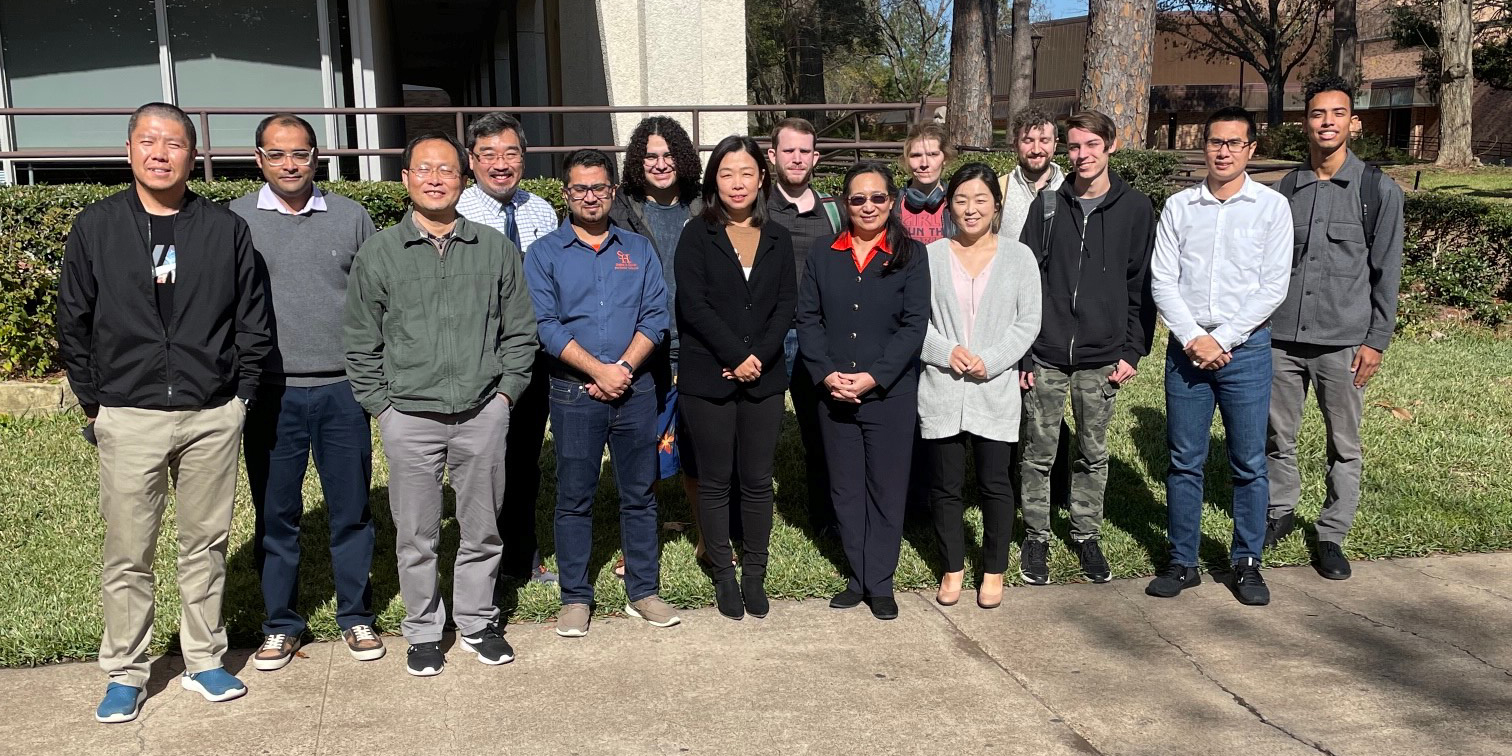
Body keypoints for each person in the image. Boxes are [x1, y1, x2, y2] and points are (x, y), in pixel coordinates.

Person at [59, 102, 272, 722]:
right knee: (129, 551)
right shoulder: (96, 227)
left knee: (205, 543)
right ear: (129, 150)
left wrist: (241, 396)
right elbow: (73, 320)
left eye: (174, 143)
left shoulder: (224, 229)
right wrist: (96, 401)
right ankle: (126, 671)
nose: (160, 153)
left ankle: (204, 659)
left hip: (211, 413)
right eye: (148, 142)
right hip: (129, 413)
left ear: (192, 154)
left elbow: (252, 318)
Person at [344, 132, 538, 676]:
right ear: (406, 179)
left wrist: (504, 396)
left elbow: (520, 332)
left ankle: (476, 621)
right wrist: (382, 408)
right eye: (424, 169)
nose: (435, 179)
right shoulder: (381, 252)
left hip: (482, 413)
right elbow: (360, 340)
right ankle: (424, 630)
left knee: (482, 528)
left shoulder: (493, 249)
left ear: (463, 179)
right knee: (416, 535)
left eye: (447, 170)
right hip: (408, 417)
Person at [229, 114, 384, 671]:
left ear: (317, 157)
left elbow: (377, 298)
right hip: (271, 392)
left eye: (300, 153)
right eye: (277, 154)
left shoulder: (351, 216)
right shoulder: (237, 219)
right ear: (259, 160)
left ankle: (356, 615)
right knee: (276, 513)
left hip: (343, 389)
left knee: (352, 509)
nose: (289, 164)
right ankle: (281, 624)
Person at [526, 149, 681, 637]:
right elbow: (545, 325)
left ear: (612, 191)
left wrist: (623, 369)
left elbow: (655, 316)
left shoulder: (637, 248)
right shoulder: (544, 253)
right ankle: (575, 597)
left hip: (635, 390)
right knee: (575, 496)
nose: (590, 196)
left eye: (599, 187)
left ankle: (643, 591)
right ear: (565, 193)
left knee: (640, 493)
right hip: (573, 393)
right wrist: (598, 370)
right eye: (580, 188)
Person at [1145, 107, 1292, 606]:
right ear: (1204, 146)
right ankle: (1182, 561)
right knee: (1185, 461)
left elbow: (1273, 286)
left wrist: (1223, 339)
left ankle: (1246, 562)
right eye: (1215, 142)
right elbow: (1162, 280)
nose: (1223, 151)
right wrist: (1194, 338)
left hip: (1245, 350)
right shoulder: (1179, 207)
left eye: (1234, 143)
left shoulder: (1271, 208)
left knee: (1248, 462)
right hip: (1187, 350)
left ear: (1251, 149)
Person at [1264, 75, 1404, 580]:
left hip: (1343, 344)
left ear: (1354, 122)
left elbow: (1387, 272)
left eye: (1338, 113)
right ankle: (1279, 511)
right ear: (1305, 123)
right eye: (1318, 113)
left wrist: (1376, 342)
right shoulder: (1284, 190)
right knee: (1276, 436)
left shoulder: (1377, 190)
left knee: (1343, 444)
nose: (1327, 122)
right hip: (1281, 339)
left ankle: (1331, 533)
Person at [1017, 110, 1157, 587]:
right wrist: (1024, 351)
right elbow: (1026, 280)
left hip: (1103, 357)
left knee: (1092, 453)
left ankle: (1086, 534)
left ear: (1111, 145)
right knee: (1039, 451)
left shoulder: (1135, 208)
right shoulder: (1048, 206)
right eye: (1074, 146)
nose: (1083, 155)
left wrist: (1133, 351)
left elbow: (1141, 285)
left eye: (1092, 144)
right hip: (1046, 352)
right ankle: (1036, 536)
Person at [797, 161, 931, 621]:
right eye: (858, 199)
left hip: (889, 394)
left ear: (892, 201)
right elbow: (808, 319)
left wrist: (875, 376)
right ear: (845, 204)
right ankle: (858, 576)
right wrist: (826, 374)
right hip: (834, 393)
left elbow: (914, 325)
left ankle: (881, 581)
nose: (868, 206)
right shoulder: (823, 253)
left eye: (877, 197)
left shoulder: (912, 255)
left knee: (886, 489)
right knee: (846, 489)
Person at [674, 135, 797, 620]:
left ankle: (754, 573)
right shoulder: (696, 234)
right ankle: (723, 572)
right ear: (714, 181)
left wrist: (756, 358)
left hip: (763, 377)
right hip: (708, 376)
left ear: (762, 177)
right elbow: (693, 304)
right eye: (727, 173)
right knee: (715, 478)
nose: (737, 182)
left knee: (757, 479)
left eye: (746, 172)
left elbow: (785, 304)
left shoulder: (778, 237)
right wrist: (734, 354)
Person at [918, 163, 1041, 610]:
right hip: (943, 384)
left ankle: (993, 570)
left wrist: (990, 359)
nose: (971, 209)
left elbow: (1028, 321)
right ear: (949, 206)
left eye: (981, 200)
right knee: (945, 485)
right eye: (961, 200)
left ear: (996, 206)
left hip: (995, 386)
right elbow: (914, 319)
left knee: (995, 483)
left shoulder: (1019, 257)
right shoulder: (930, 256)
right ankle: (952, 567)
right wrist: (945, 351)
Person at [456, 112, 560, 584]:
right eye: (488, 154)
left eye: (510, 153)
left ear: (524, 156)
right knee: (480, 464)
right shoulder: (456, 211)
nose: (500, 164)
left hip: (532, 356)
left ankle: (522, 554)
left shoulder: (542, 211)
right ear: (471, 160)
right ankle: (480, 563)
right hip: (476, 357)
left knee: (523, 459)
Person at [609, 116, 706, 565]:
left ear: (682, 158)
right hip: (643, 349)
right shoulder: (620, 210)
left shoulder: (703, 206)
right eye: (650, 156)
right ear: (637, 161)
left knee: (700, 452)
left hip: (699, 347)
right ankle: (638, 547)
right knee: (641, 452)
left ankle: (709, 540)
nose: (660, 163)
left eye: (669, 155)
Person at [764, 117, 844, 540]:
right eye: (788, 150)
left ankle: (826, 517)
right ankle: (750, 515)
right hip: (767, 335)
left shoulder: (834, 210)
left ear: (815, 158)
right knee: (756, 428)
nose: (796, 158)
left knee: (821, 428)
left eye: (804, 151)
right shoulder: (756, 206)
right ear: (772, 155)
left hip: (817, 334)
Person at [999, 105, 1066, 240]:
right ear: (1016, 144)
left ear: (1055, 144)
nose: (1036, 150)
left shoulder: (1071, 188)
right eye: (1028, 141)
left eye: (1044, 141)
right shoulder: (999, 189)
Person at [898, 122, 956, 244]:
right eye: (916, 155)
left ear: (945, 158)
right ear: (907, 160)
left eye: (933, 154)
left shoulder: (956, 203)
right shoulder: (893, 204)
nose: (924, 163)